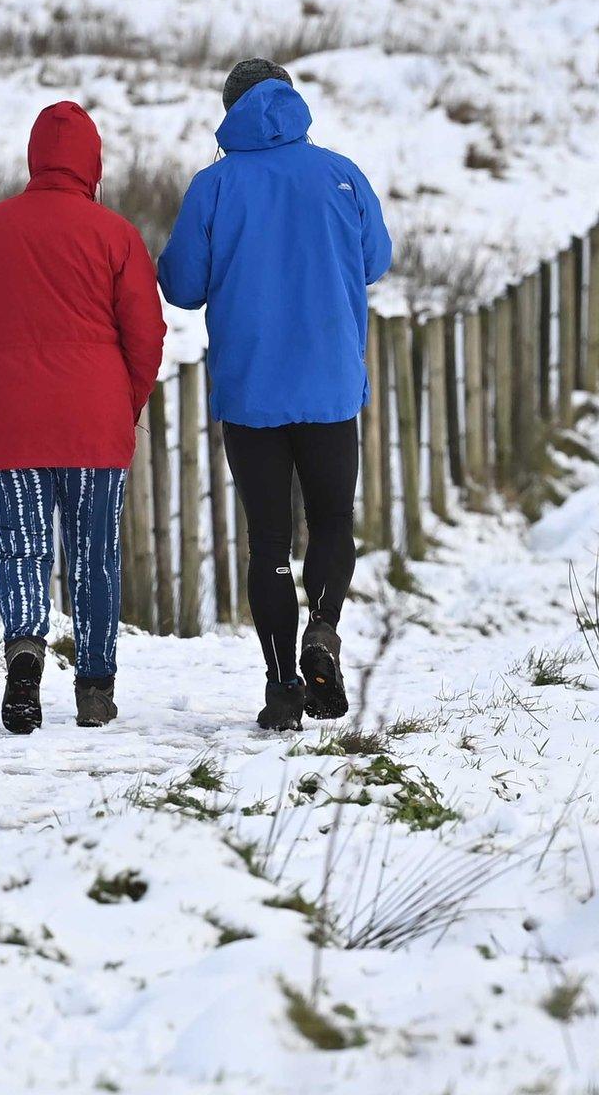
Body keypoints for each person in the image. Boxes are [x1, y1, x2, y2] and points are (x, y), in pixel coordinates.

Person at [157, 59, 392, 731]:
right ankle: (323, 628)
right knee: (333, 524)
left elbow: (181, 285)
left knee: (268, 544)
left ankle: (282, 684)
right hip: (329, 384)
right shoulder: (341, 174)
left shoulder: (215, 185)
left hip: (252, 388)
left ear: (230, 110)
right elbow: (376, 260)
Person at [0, 101, 166, 735]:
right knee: (94, 554)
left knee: (21, 549)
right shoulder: (115, 233)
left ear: (35, 157)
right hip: (95, 423)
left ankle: (23, 662)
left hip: (10, 421)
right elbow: (145, 333)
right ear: (92, 162)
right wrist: (125, 403)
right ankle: (95, 688)